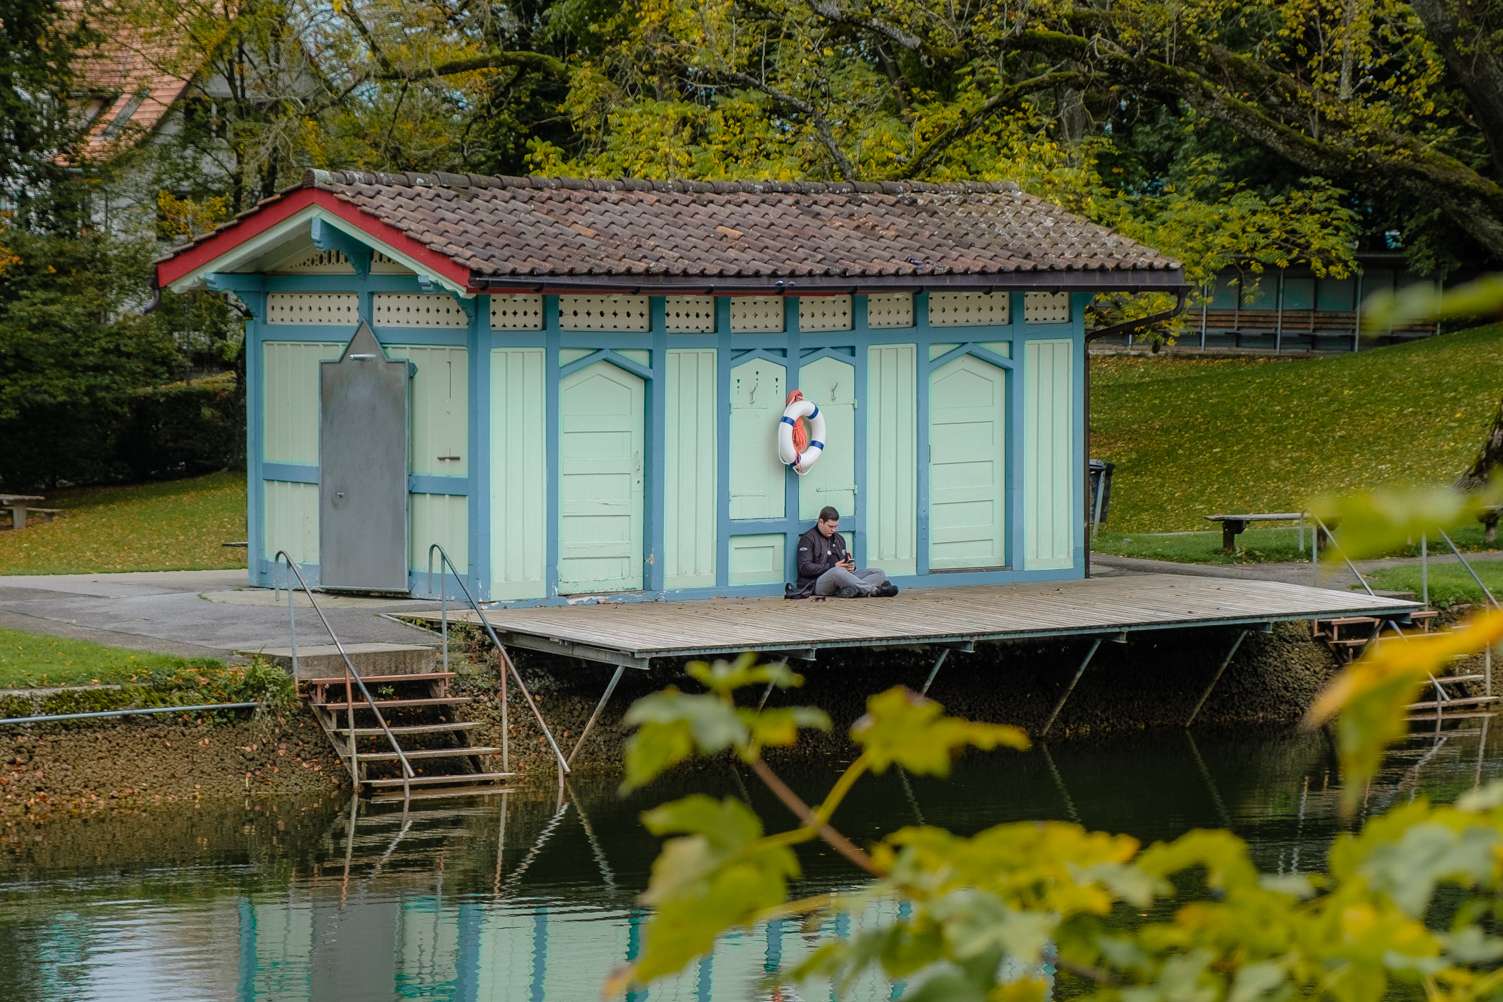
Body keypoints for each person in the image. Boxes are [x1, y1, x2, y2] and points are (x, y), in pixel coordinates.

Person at [788, 506, 898, 599]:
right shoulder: (808, 538)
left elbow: (844, 563)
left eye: (836, 526)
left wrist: (850, 567)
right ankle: (874, 590)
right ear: (821, 522)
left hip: (842, 577)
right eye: (830, 526)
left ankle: (852, 590)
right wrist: (831, 566)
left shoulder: (839, 538)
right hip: (816, 583)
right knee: (837, 571)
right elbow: (804, 568)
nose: (833, 530)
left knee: (879, 572)